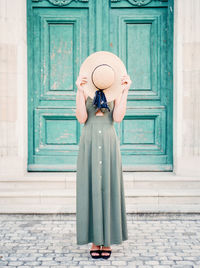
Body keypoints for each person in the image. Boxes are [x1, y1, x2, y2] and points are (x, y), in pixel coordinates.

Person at [75, 56, 132, 259]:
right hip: (89, 141)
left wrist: (125, 91)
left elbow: (117, 118)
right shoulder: (84, 90)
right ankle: (94, 240)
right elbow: (82, 118)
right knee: (90, 188)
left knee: (108, 187)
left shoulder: (114, 92)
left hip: (108, 142)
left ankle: (106, 240)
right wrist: (80, 91)